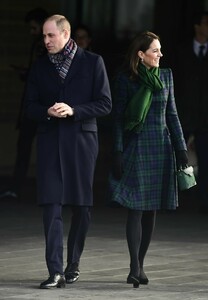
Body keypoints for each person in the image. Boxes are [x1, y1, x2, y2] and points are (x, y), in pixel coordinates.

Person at [24, 14, 112, 289]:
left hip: (82, 143)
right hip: (50, 142)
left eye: (50, 35)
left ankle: (72, 264)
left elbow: (105, 103)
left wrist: (75, 110)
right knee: (51, 205)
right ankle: (55, 271)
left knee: (82, 207)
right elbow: (29, 106)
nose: (45, 40)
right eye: (44, 36)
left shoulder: (93, 62)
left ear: (65, 34)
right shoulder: (39, 67)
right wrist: (47, 112)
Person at [108, 31, 188, 288]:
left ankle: (140, 265)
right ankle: (133, 267)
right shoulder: (125, 79)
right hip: (136, 148)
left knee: (151, 210)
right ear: (141, 55)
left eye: (160, 49)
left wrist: (181, 150)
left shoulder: (166, 76)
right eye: (155, 50)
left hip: (161, 148)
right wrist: (118, 151)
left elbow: (172, 115)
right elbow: (118, 119)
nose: (160, 55)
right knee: (136, 208)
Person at [0, 7, 48, 200]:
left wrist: (27, 75)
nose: (32, 31)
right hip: (41, 105)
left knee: (27, 147)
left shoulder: (42, 45)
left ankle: (17, 187)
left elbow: (41, 75)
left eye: (33, 27)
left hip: (37, 105)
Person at [173, 11, 208, 213]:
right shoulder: (181, 51)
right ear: (197, 26)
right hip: (183, 115)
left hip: (205, 118)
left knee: (205, 159)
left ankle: (203, 201)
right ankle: (178, 198)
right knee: (180, 159)